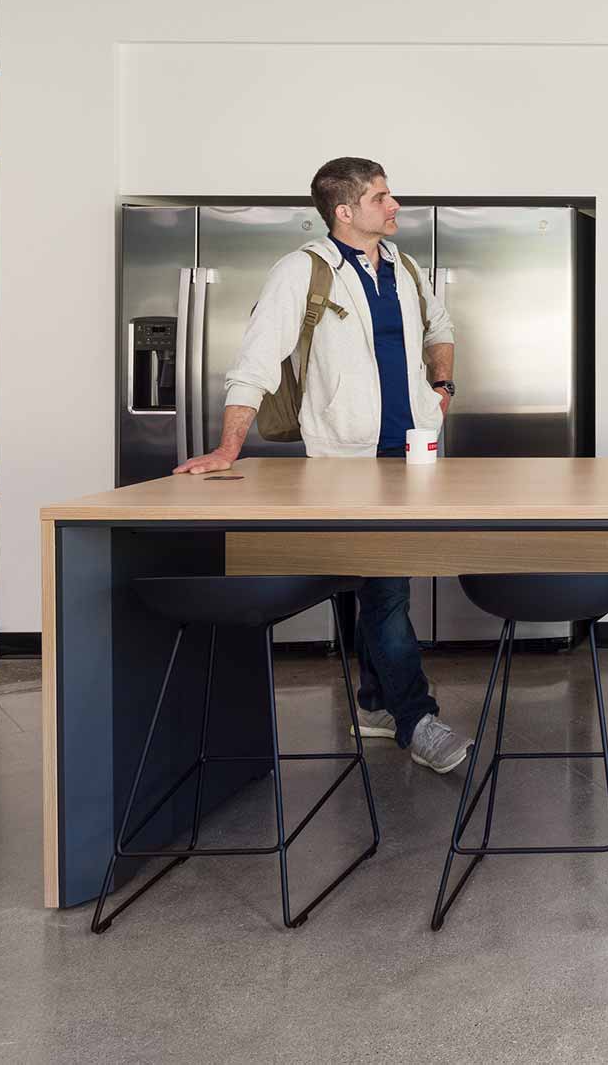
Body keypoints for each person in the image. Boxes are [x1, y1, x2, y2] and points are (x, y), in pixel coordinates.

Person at [175, 157, 472, 775]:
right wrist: (229, 446)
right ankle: (417, 718)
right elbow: (255, 363)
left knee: (377, 583)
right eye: (383, 198)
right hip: (344, 458)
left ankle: (373, 702)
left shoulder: (406, 267)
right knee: (387, 589)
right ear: (345, 211)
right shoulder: (303, 272)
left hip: (413, 450)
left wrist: (440, 386)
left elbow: (439, 328)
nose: (395, 207)